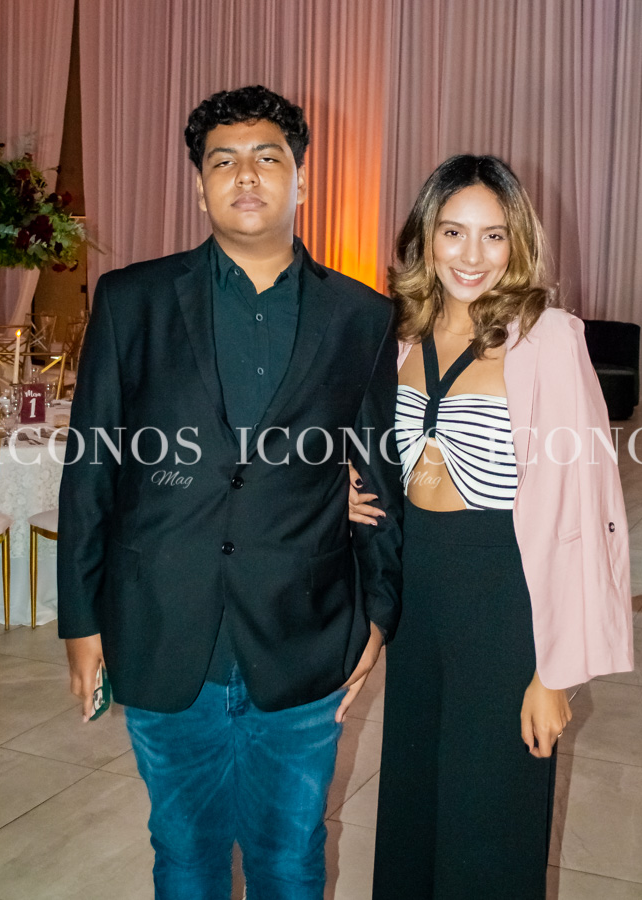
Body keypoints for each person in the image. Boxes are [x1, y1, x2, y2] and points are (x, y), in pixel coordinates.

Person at [57, 84, 402, 900]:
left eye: (267, 158)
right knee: (184, 854)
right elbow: (90, 468)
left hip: (304, 633)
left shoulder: (361, 316)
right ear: (199, 186)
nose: (245, 176)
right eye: (224, 161)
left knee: (291, 857)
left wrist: (379, 613)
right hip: (163, 626)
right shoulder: (131, 301)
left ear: (301, 179)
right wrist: (81, 620)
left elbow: (377, 475)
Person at [349, 154, 633, 899]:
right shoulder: (398, 334)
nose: (471, 256)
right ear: (425, 237)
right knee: (413, 802)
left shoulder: (548, 339)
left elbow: (584, 508)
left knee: (490, 817)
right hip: (417, 597)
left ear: (517, 243)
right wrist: (342, 489)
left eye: (493, 235)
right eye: (453, 232)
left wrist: (555, 673)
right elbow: (369, 451)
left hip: (504, 597)